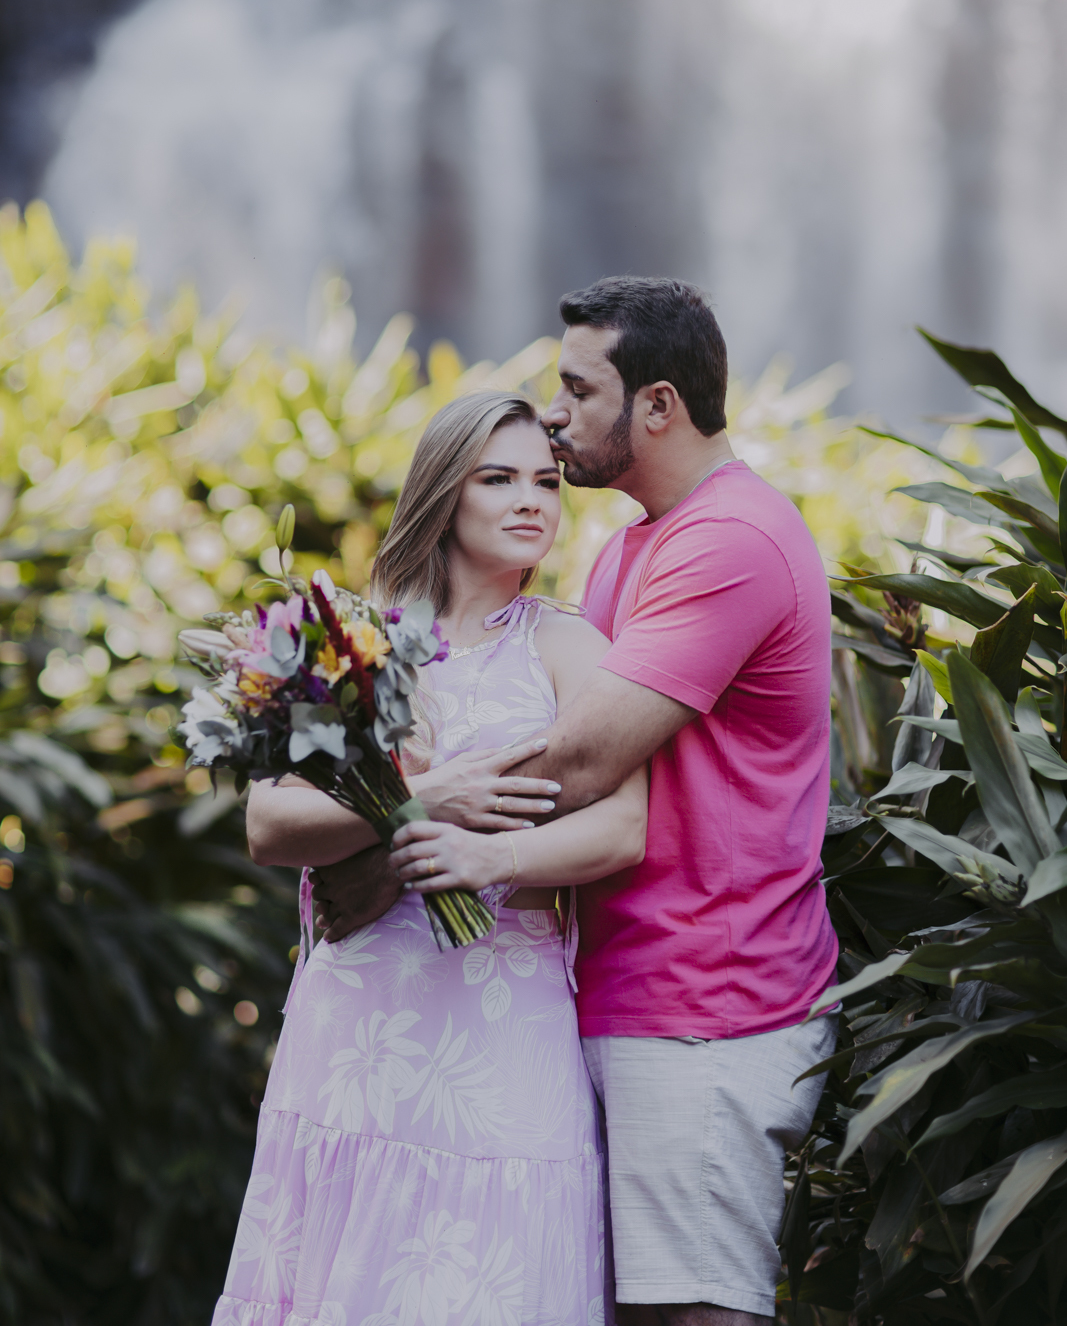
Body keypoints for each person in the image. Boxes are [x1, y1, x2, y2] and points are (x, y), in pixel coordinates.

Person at [315, 277, 839, 1326]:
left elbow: (587, 760)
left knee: (696, 1308)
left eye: (577, 390)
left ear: (657, 406)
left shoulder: (728, 538)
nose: (553, 416)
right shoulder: (634, 544)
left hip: (704, 997)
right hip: (610, 989)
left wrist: (395, 829)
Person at [212, 390, 646, 1326]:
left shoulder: (570, 647)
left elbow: (623, 830)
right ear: (445, 494)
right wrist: (419, 802)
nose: (530, 500)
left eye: (545, 482)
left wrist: (491, 857)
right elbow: (269, 825)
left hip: (505, 1009)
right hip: (360, 1013)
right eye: (498, 479)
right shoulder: (349, 645)